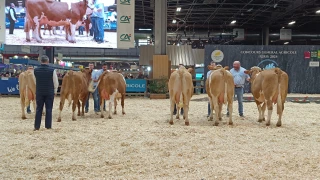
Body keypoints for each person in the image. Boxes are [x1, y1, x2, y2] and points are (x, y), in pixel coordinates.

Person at [33, 55, 59, 131]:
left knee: (38, 109)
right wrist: (55, 90)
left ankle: (36, 126)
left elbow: (35, 81)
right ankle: (48, 126)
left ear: (41, 61)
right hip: (49, 92)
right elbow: (55, 82)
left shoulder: (36, 70)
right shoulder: (52, 70)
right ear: (47, 61)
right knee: (49, 109)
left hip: (39, 92)